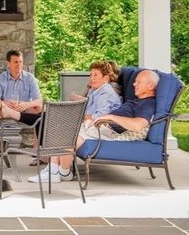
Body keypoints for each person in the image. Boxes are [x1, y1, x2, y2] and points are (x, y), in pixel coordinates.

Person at [27, 69, 158, 184]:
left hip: (111, 133)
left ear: (150, 85)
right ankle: (59, 172)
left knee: (68, 135)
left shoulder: (147, 104)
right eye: (135, 81)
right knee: (62, 128)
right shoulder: (137, 101)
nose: (134, 84)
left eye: (138, 82)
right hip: (103, 128)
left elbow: (137, 125)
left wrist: (110, 117)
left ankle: (57, 172)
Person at [22, 61, 122, 183]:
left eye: (96, 75)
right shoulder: (95, 89)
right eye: (91, 74)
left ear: (105, 78)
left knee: (66, 131)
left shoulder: (106, 92)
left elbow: (99, 116)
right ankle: (56, 170)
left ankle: (59, 171)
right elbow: (88, 111)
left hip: (103, 128)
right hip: (91, 125)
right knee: (61, 127)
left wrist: (81, 117)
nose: (92, 78)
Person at [0, 50, 42, 119]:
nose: (19, 64)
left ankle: (31, 127)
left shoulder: (30, 78)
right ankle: (9, 120)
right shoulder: (0, 78)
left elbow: (39, 101)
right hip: (7, 110)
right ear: (8, 63)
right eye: (16, 62)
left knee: (39, 108)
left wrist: (26, 104)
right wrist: (6, 103)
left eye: (20, 62)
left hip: (25, 111)